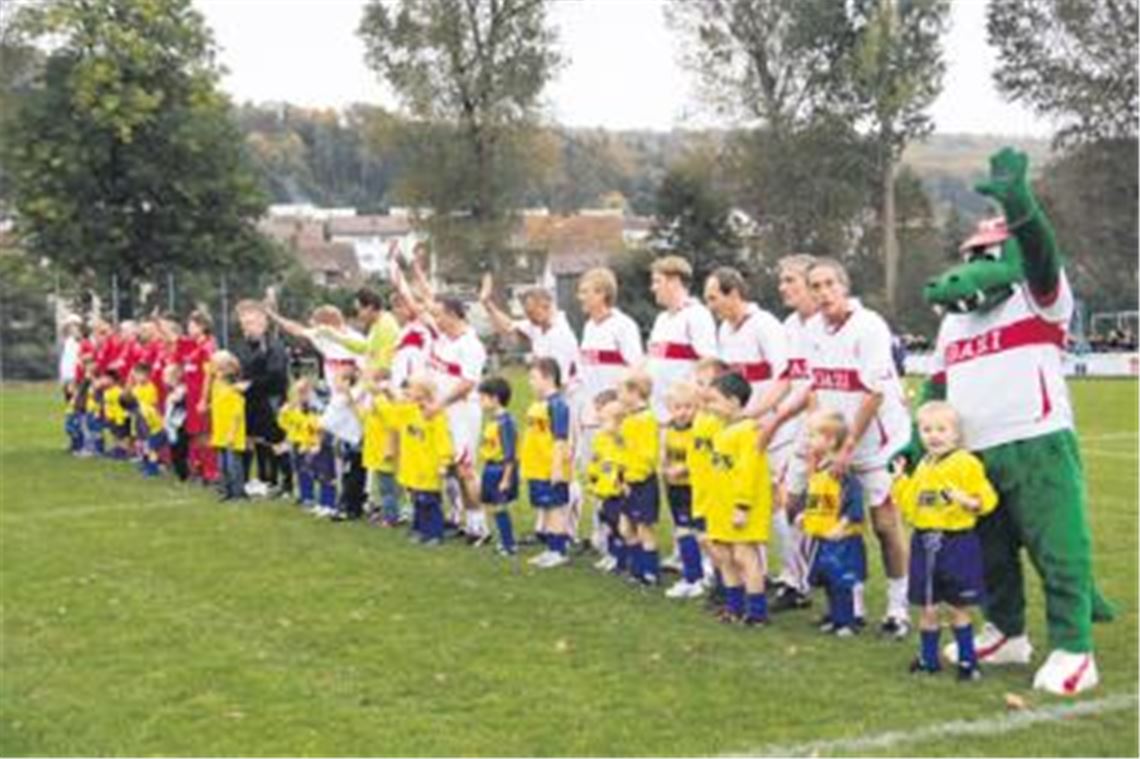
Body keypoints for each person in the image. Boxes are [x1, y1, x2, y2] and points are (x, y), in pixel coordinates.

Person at [805, 258, 913, 638]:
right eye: (815, 286)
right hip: (837, 446)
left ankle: (899, 609)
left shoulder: (869, 327)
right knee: (844, 525)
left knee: (885, 525)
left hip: (879, 444)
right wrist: (819, 441)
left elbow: (873, 392)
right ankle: (851, 606)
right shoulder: (812, 330)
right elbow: (814, 389)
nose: (823, 293)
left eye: (829, 284)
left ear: (844, 287)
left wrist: (848, 445)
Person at [703, 266, 801, 607]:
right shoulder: (724, 330)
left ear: (734, 293)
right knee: (742, 501)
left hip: (771, 428)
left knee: (776, 504)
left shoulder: (765, 326)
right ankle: (753, 576)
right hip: (742, 430)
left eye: (714, 297)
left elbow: (784, 376)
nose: (711, 305)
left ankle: (794, 581)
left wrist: (759, 415)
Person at [891, 401, 998, 679]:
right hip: (924, 543)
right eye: (927, 430)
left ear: (956, 434)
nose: (934, 435)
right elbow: (910, 505)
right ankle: (928, 660)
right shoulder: (924, 465)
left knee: (957, 606)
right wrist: (900, 480)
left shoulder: (966, 463)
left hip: (956, 543)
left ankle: (968, 663)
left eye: (941, 429)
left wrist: (968, 501)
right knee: (928, 606)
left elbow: (987, 499)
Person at [576, 267, 644, 551]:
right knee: (594, 472)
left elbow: (635, 368)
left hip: (614, 416)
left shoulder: (623, 326)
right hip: (591, 414)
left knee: (616, 474)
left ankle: (624, 537)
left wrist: (617, 403)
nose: (580, 297)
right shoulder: (589, 327)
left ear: (602, 294)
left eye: (585, 292)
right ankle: (599, 533)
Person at [706, 372, 772, 626]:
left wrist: (742, 505)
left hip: (741, 506)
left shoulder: (748, 430)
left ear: (734, 401)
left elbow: (749, 471)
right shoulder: (722, 429)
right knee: (724, 556)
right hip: (720, 505)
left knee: (745, 555)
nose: (709, 407)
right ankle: (734, 607)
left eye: (714, 401)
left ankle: (757, 611)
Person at [801, 409, 867, 638]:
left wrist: (842, 525)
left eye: (813, 436)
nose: (808, 440)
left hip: (841, 539)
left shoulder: (841, 473)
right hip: (821, 536)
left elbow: (854, 503)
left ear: (830, 440)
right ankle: (834, 616)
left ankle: (848, 621)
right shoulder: (818, 468)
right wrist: (805, 514)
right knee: (828, 580)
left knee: (842, 580)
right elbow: (814, 496)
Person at [479, 273, 580, 394]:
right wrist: (487, 304)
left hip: (567, 398)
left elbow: (559, 381)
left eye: (532, 312)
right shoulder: (538, 326)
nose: (529, 317)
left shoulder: (561, 335)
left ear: (545, 305)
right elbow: (508, 326)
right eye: (527, 313)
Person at [646, 256, 718, 422]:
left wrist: (695, 403)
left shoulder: (697, 314)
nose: (653, 288)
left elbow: (708, 362)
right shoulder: (661, 319)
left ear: (675, 282)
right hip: (658, 413)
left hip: (684, 416)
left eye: (658, 282)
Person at [232, 301, 290, 497]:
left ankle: (284, 483)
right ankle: (251, 480)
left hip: (270, 399)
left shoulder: (274, 345)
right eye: (244, 323)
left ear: (263, 323)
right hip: (250, 400)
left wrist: (251, 384)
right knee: (250, 439)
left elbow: (276, 375)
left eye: (251, 323)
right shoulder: (243, 345)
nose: (247, 327)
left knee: (276, 440)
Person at [521, 358, 574, 568]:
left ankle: (559, 550)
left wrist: (557, 467)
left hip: (550, 468)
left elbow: (560, 439)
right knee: (546, 507)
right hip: (536, 467)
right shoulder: (537, 405)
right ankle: (551, 548)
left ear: (549, 378)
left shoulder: (558, 405)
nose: (530, 382)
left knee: (555, 509)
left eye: (534, 378)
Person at [388, 377, 454, 546]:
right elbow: (392, 417)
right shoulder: (408, 411)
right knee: (417, 499)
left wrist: (444, 461)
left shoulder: (436, 416)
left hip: (428, 466)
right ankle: (419, 529)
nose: (408, 394)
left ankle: (435, 533)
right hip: (412, 465)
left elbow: (443, 440)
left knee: (429, 501)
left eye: (412, 391)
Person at [662, 381, 704, 599]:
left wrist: (684, 468)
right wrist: (665, 468)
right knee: (683, 531)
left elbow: (702, 459)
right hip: (674, 489)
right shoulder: (669, 429)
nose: (683, 412)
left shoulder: (698, 431)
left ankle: (695, 578)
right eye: (678, 407)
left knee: (695, 533)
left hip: (693, 489)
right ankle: (695, 575)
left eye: (688, 407)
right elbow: (667, 456)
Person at [617, 371, 660, 585]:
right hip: (628, 481)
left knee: (644, 527)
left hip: (641, 482)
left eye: (621, 391)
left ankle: (650, 572)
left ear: (634, 392)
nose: (619, 396)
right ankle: (637, 568)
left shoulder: (647, 419)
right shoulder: (630, 419)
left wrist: (634, 477)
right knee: (626, 526)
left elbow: (648, 454)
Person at [315, 287, 401, 377]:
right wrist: (337, 337)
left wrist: (358, 379)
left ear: (369, 308)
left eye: (359, 310)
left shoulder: (385, 327)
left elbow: (383, 366)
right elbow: (365, 348)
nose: (359, 315)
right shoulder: (378, 324)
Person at [477, 376, 520, 556]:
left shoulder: (505, 423)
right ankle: (502, 540)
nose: (480, 402)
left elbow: (510, 454)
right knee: (492, 506)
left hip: (500, 469)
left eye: (483, 398)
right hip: (490, 467)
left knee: (500, 506)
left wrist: (506, 478)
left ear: (495, 399)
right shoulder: (493, 420)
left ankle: (509, 544)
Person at [586, 390, 625, 572]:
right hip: (602, 489)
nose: (600, 423)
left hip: (616, 492)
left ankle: (620, 557)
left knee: (618, 526)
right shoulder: (601, 438)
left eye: (604, 420)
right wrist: (593, 479)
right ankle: (610, 554)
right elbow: (596, 460)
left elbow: (621, 465)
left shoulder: (621, 440)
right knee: (607, 522)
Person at [359, 368, 400, 527]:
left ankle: (391, 517)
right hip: (376, 449)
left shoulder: (382, 400)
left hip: (384, 450)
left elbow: (392, 421)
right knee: (383, 486)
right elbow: (363, 416)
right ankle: (386, 513)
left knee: (387, 487)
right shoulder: (376, 400)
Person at [182, 309, 218, 484]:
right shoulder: (195, 345)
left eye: (192, 325)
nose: (188, 328)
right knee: (196, 434)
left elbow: (209, 375)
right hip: (191, 397)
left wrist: (204, 399)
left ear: (203, 326)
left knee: (205, 434)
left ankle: (211, 471)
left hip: (201, 397)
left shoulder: (208, 346)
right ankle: (200, 469)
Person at [209, 350, 248, 502]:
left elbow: (237, 415)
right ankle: (226, 490)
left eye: (218, 369)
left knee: (233, 465)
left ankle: (238, 492)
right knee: (222, 464)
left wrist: (232, 433)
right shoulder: (217, 386)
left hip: (231, 434)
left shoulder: (234, 391)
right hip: (220, 431)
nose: (214, 372)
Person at [127, 363, 164, 477]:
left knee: (149, 446)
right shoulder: (135, 388)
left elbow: (152, 404)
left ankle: (153, 468)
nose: (138, 377)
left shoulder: (151, 388)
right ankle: (145, 464)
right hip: (137, 421)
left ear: (148, 376)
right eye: (136, 375)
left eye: (141, 375)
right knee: (141, 444)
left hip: (148, 421)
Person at [163, 363, 191, 482]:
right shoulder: (172, 391)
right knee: (174, 451)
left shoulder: (181, 390)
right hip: (172, 426)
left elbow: (180, 402)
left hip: (179, 425)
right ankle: (181, 474)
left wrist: (175, 397)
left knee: (180, 452)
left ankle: (184, 475)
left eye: (166, 376)